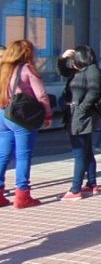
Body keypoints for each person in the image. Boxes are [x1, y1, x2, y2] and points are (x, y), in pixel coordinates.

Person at [0, 40, 52, 208]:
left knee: (3, 156)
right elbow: (42, 95)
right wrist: (48, 115)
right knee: (23, 156)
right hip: (21, 116)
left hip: (2, 114)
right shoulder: (27, 69)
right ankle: (22, 196)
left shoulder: (3, 69)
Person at [57, 45, 101, 200]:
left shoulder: (92, 70)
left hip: (81, 117)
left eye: (75, 57)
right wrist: (63, 58)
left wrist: (81, 109)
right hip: (75, 115)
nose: (73, 61)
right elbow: (63, 71)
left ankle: (75, 189)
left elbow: (94, 92)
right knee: (87, 151)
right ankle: (91, 183)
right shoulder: (79, 71)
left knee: (79, 152)